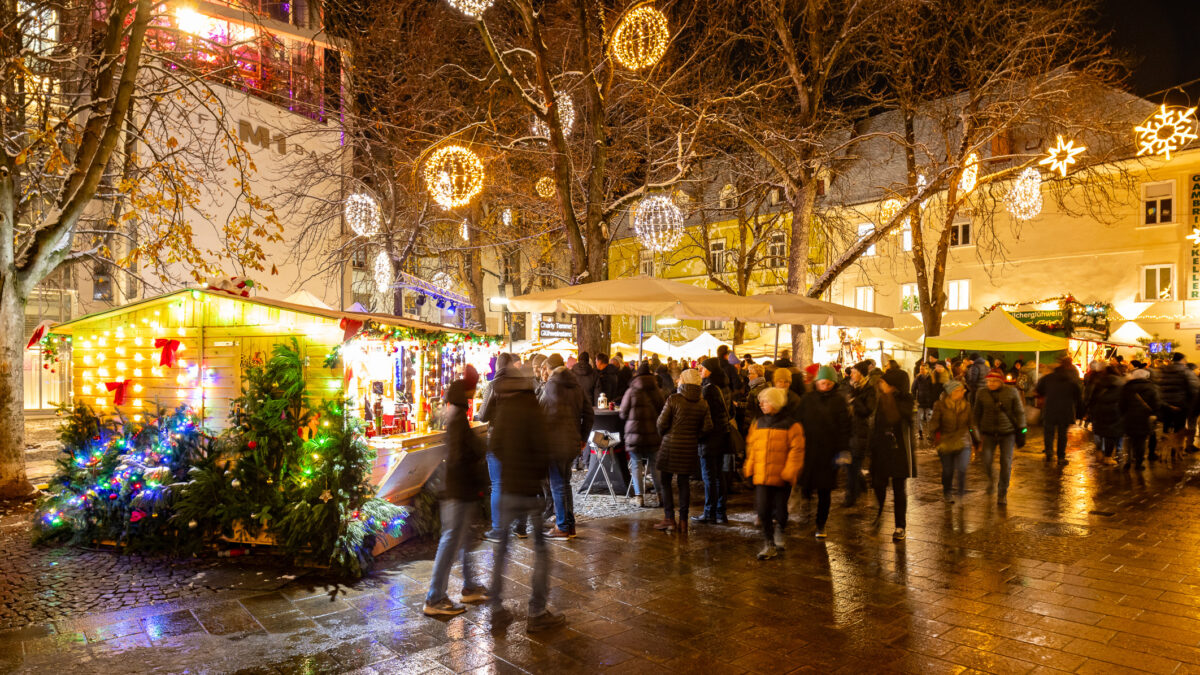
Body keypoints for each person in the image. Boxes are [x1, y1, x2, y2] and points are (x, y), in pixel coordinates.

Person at [486, 359, 564, 632]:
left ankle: (496, 609)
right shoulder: (533, 408)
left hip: (508, 487)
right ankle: (537, 612)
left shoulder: (505, 409)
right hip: (530, 489)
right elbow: (544, 448)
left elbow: (494, 446)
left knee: (502, 551)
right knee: (541, 552)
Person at [423, 373, 489, 617]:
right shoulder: (458, 417)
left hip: (458, 488)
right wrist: (479, 448)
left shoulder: (453, 415)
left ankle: (470, 586)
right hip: (459, 489)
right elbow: (463, 453)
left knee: (461, 538)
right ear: (466, 395)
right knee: (451, 540)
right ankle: (435, 597)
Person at [744, 387, 804, 560]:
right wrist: (749, 468)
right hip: (762, 475)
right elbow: (752, 448)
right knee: (763, 510)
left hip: (781, 476)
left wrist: (789, 471)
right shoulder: (758, 423)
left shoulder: (792, 425)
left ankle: (779, 532)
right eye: (761, 401)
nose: (761, 404)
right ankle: (768, 543)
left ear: (776, 403)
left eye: (766, 401)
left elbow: (797, 450)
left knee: (780, 511)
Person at [477, 353, 529, 542]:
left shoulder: (494, 385)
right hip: (521, 439)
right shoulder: (525, 386)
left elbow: (483, 415)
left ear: (498, 367)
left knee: (498, 484)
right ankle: (521, 527)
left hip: (499, 439)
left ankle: (499, 530)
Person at [539, 359, 593, 540]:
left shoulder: (551, 386)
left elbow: (541, 412)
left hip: (554, 443)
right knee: (565, 483)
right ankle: (569, 525)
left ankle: (561, 526)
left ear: (550, 370)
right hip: (572, 442)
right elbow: (589, 413)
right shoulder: (576, 386)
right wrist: (583, 438)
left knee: (557, 484)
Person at [654, 369, 712, 534]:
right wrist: (694, 437)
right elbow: (708, 427)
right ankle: (684, 521)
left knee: (665, 481)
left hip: (670, 445)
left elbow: (661, 423)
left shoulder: (674, 399)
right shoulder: (703, 403)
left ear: (684, 381)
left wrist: (666, 435)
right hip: (689, 447)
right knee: (683, 483)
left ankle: (669, 518)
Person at [798, 365, 848, 538]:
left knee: (825, 490)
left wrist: (842, 450)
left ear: (833, 384)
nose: (825, 386)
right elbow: (799, 421)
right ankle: (806, 513)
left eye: (828, 383)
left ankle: (821, 523)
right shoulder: (807, 399)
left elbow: (844, 427)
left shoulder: (839, 401)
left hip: (828, 452)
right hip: (809, 451)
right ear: (817, 382)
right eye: (822, 383)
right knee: (806, 485)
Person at [868, 369, 916, 541]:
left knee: (898, 490)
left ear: (894, 386)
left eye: (884, 383)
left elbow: (898, 417)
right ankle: (879, 513)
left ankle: (900, 526)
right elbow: (877, 425)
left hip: (899, 451)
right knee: (878, 484)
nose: (881, 385)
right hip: (882, 450)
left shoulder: (906, 400)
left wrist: (888, 399)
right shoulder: (881, 399)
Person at [972, 369, 1026, 506]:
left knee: (1006, 463)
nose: (991, 383)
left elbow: (1019, 412)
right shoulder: (982, 393)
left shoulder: (1011, 392)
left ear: (1001, 381)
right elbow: (976, 414)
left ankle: (1002, 492)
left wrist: (1022, 430)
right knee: (986, 460)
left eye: (994, 381)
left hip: (1007, 433)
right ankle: (991, 479)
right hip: (988, 433)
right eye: (989, 381)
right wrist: (974, 432)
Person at [620, 362, 666, 507]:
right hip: (653, 434)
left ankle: (639, 497)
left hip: (635, 435)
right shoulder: (657, 391)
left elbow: (623, 413)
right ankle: (660, 496)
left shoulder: (631, 391)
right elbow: (663, 411)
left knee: (636, 464)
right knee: (654, 465)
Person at [694, 357, 733, 524]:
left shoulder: (708, 389)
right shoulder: (721, 386)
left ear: (710, 370)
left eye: (702, 369)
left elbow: (704, 416)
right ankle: (720, 512)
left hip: (710, 438)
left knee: (710, 476)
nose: (700, 371)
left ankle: (709, 512)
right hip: (722, 436)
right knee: (718, 476)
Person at [928, 380, 972, 503]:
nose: (961, 393)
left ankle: (961, 492)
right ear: (950, 392)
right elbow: (934, 422)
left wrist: (977, 439)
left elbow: (971, 424)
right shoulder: (940, 405)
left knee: (962, 468)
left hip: (963, 441)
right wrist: (932, 435)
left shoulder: (967, 405)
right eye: (958, 390)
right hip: (945, 442)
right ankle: (947, 491)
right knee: (948, 470)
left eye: (962, 390)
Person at [1036, 357, 1083, 465]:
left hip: (1050, 410)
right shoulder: (1071, 381)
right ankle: (1061, 457)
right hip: (1065, 411)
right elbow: (1078, 398)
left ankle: (1049, 452)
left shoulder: (1048, 378)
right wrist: (1080, 413)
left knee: (1049, 433)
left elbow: (1039, 390)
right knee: (1062, 434)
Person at [844, 361, 878, 507]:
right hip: (849, 431)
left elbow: (867, 410)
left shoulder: (869, 390)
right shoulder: (850, 387)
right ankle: (861, 486)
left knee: (853, 465)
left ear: (861, 374)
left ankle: (851, 496)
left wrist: (854, 400)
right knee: (849, 465)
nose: (851, 374)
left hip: (862, 431)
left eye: (854, 372)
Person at [1157, 352, 1199, 463]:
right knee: (1179, 430)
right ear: (1182, 359)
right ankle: (1175, 454)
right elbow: (1194, 389)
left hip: (1166, 405)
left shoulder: (1164, 370)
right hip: (1181, 405)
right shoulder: (1185, 371)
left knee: (1166, 429)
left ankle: (1163, 452)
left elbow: (1159, 386)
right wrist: (1191, 403)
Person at [1121, 367, 1160, 471]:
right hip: (1144, 418)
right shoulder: (1151, 388)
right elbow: (1156, 404)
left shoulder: (1127, 387)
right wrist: (1155, 414)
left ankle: (1127, 462)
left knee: (1128, 440)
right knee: (1141, 441)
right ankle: (1139, 463)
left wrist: (1122, 414)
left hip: (1128, 417)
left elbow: (1121, 404)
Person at [1086, 365, 1125, 466]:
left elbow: (1092, 398)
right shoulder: (1122, 383)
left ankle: (1099, 451)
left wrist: (1090, 410)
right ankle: (1108, 457)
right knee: (1110, 435)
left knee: (1099, 432)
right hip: (1115, 412)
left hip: (1099, 410)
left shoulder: (1100, 382)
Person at [912, 363, 939, 443]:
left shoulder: (931, 378)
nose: (921, 371)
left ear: (927, 370)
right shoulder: (918, 378)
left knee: (929, 419)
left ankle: (930, 434)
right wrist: (914, 399)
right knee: (919, 418)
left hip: (929, 402)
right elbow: (913, 388)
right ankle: (920, 434)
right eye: (920, 369)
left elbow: (934, 390)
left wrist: (933, 401)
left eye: (923, 369)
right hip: (920, 401)